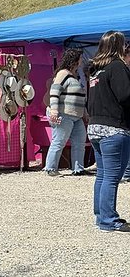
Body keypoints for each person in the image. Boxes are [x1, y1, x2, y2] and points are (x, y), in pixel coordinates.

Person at [86, 31, 130, 231]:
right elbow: (125, 95)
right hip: (114, 128)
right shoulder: (117, 66)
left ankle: (101, 216)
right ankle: (109, 219)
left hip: (95, 127)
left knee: (103, 175)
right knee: (112, 177)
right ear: (118, 45)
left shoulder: (95, 70)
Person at [44, 48, 87, 176]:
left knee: (80, 142)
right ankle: (50, 168)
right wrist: (54, 111)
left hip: (77, 116)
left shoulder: (74, 76)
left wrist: (85, 113)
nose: (82, 60)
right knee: (59, 141)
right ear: (75, 60)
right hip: (64, 114)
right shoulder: (63, 73)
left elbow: (79, 97)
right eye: (80, 58)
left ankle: (78, 169)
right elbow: (54, 91)